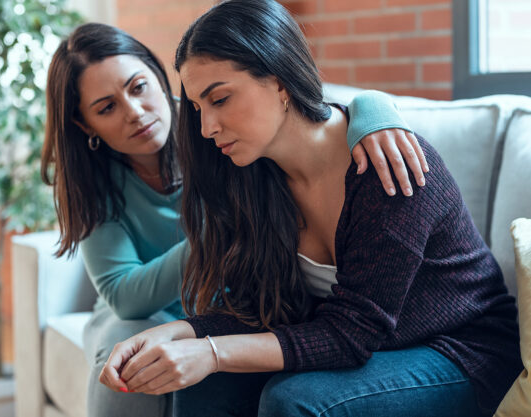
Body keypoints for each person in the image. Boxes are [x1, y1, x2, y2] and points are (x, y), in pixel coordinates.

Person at [97, 2, 523, 417]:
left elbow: (352, 333)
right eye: (197, 108)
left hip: (461, 351)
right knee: (206, 381)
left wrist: (210, 350)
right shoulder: (255, 177)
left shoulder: (385, 167)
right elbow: (260, 314)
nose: (207, 127)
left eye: (220, 99)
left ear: (279, 80)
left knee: (294, 398)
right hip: (378, 346)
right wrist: (177, 333)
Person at [42, 21, 428, 417]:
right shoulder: (98, 179)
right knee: (127, 345)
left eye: (138, 87)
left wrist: (376, 109)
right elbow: (126, 297)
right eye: (107, 108)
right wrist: (223, 232)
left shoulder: (222, 134)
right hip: (156, 310)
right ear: (84, 125)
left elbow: (305, 110)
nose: (135, 113)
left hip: (231, 301)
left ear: (159, 78)